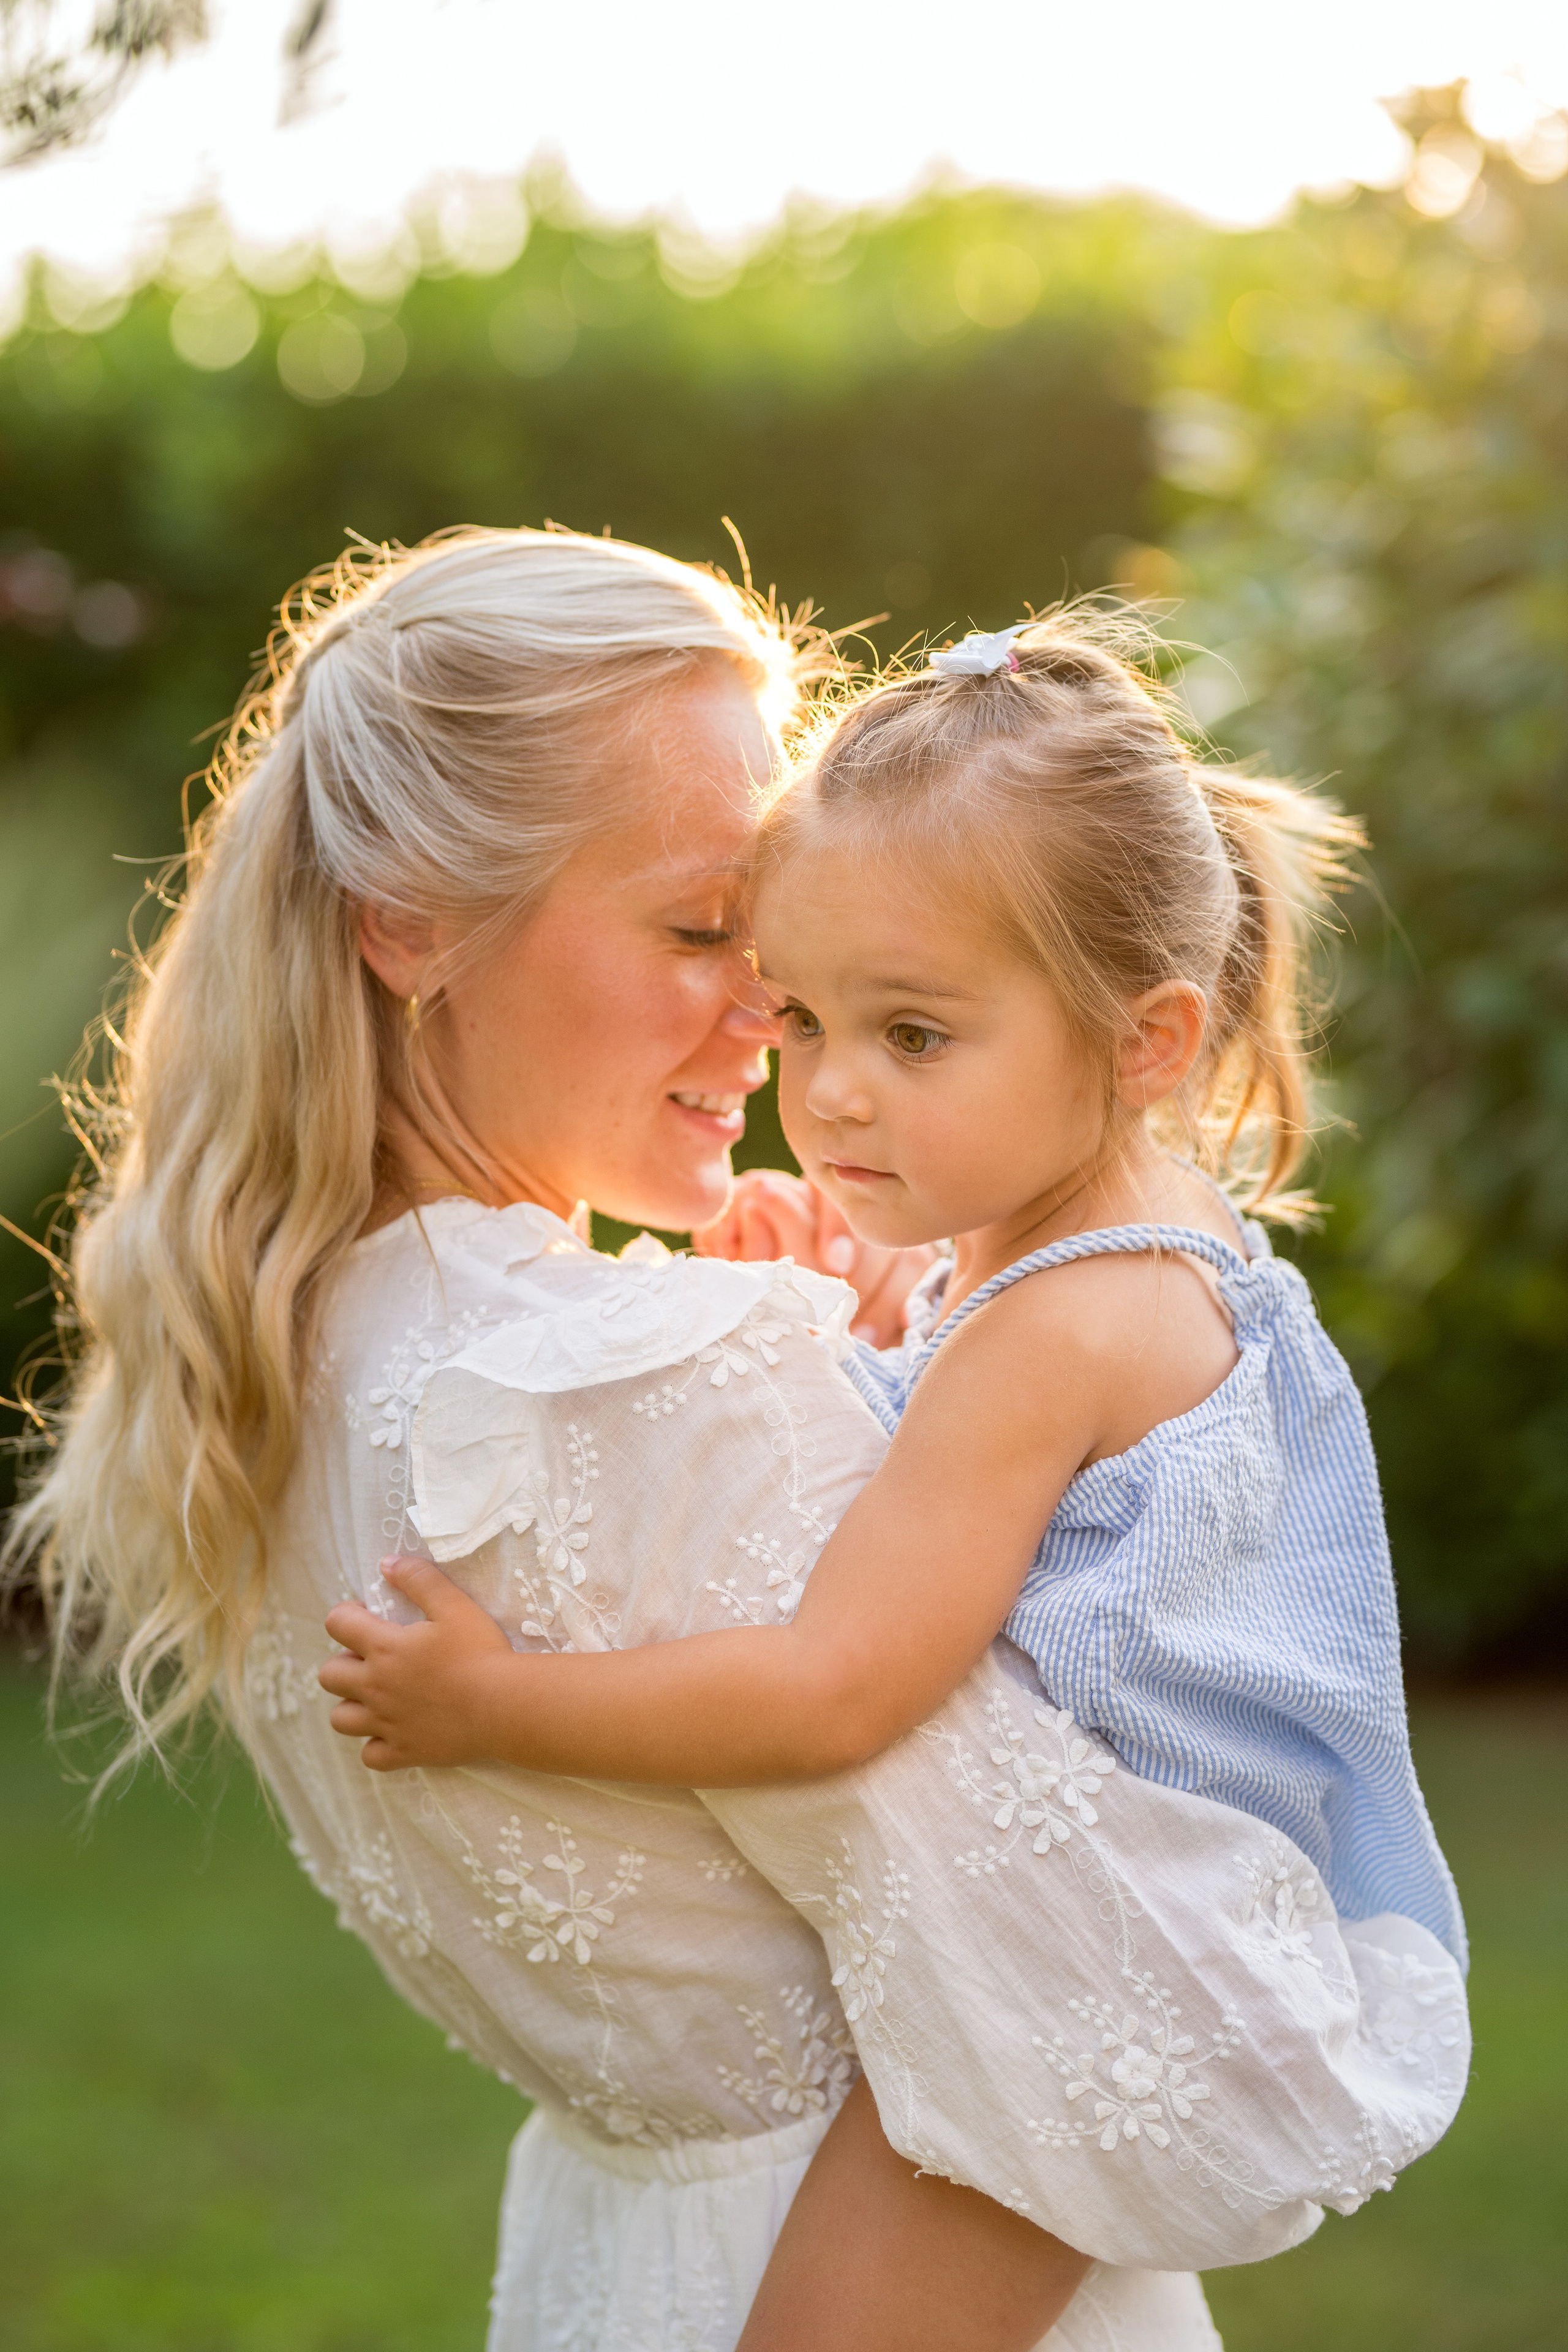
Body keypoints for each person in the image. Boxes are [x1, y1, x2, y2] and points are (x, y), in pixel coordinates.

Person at [9, 533, 1466, 2352]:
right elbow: (1087, 1993)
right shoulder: (621, 1383)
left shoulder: (290, 1356)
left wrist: (846, 1349)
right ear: (409, 922)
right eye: (711, 933)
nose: (782, 1031)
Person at [333, 612, 1465, 1973]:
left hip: (1128, 1962)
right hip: (1194, 1923)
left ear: (1143, 1043)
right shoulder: (1132, 1237)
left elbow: (832, 1689)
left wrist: (494, 1704)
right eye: (804, 1018)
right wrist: (865, 1298)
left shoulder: (1055, 1331)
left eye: (912, 1034)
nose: (826, 1092)